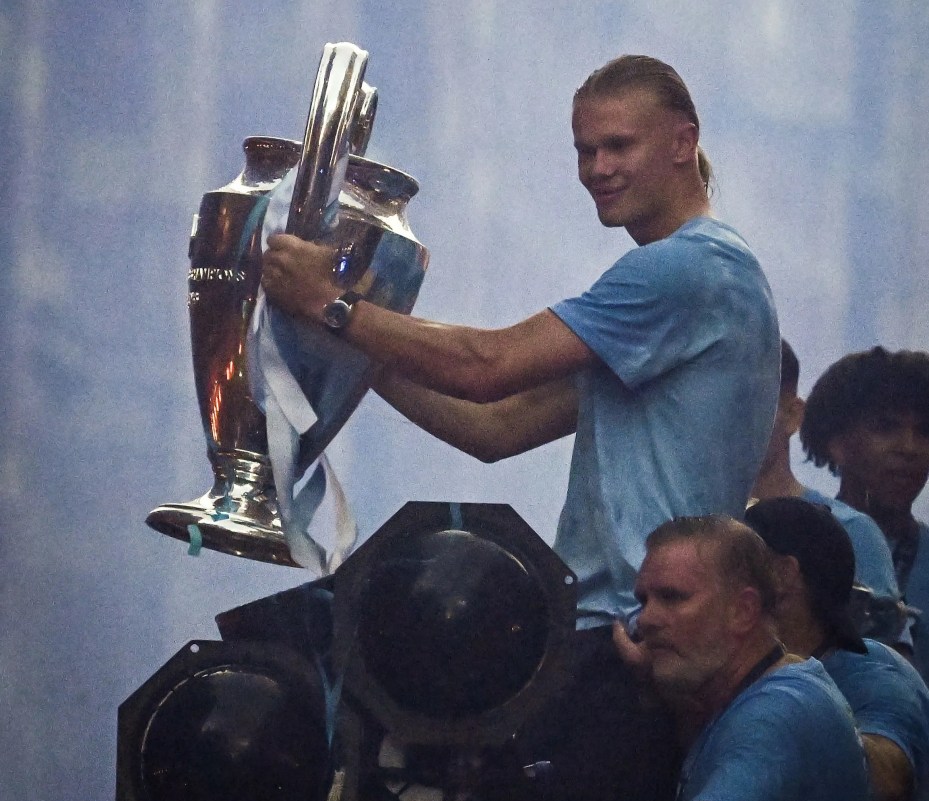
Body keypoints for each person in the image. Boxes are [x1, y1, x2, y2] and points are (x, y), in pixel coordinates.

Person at [261, 54, 780, 630]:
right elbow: (497, 427)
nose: (598, 168)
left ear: (683, 143)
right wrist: (355, 345)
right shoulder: (691, 285)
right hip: (610, 624)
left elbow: (488, 364)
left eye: (618, 146)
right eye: (586, 150)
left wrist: (332, 307)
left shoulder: (688, 267)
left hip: (635, 631)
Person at [453, 516, 886, 801]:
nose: (647, 620)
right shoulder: (750, 697)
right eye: (643, 599)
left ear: (743, 610)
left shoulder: (784, 705)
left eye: (673, 598)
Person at [744, 496, 929, 801]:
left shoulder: (875, 671)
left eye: (730, 565)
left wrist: (792, 694)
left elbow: (886, 783)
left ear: (781, 573)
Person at [750, 339, 908, 650]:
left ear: (794, 415)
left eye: (751, 402)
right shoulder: (691, 528)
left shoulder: (852, 531)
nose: (729, 419)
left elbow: (881, 669)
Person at [801, 347, 929, 677]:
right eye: (886, 427)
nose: (909, 448)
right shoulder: (797, 545)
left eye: (924, 432)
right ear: (837, 442)